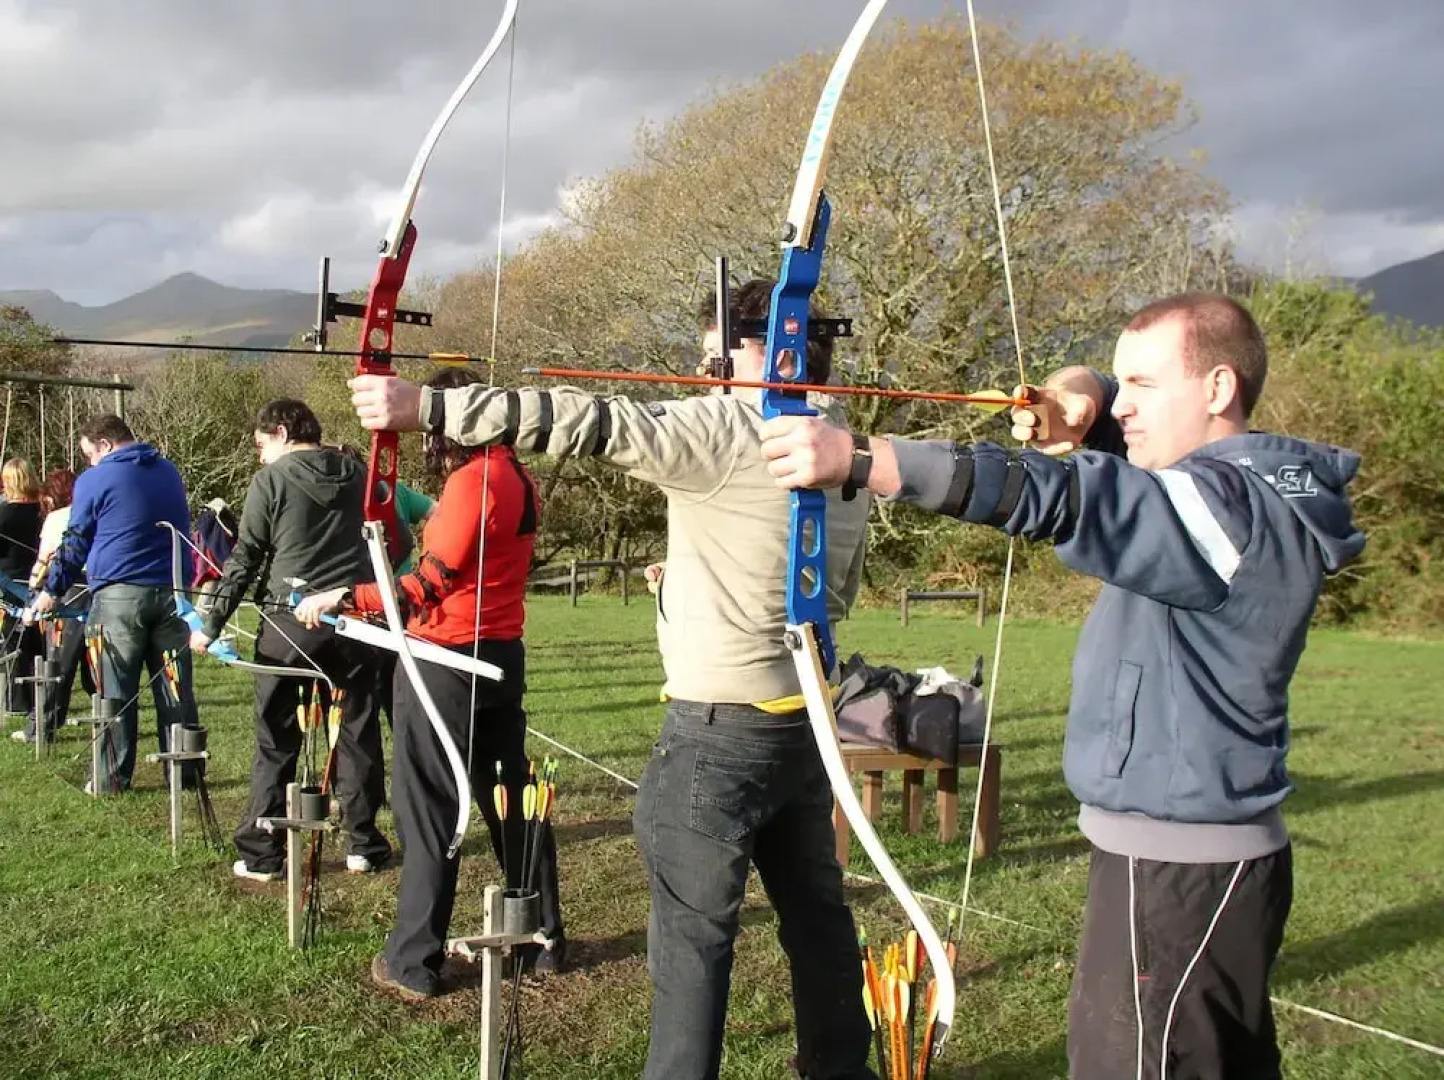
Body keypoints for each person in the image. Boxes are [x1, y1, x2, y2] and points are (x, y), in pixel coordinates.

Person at [757, 292, 1367, 1080]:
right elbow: (1113, 434)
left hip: (1182, 867)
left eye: (1144, 384)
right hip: (1186, 853)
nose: (1128, 407)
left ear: (1218, 389)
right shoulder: (1237, 493)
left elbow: (1067, 495)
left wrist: (865, 461)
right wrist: (1079, 396)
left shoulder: (1223, 511)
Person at [344, 280, 879, 1080]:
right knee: (817, 916)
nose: (701, 372)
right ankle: (842, 1068)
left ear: (775, 349)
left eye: (714, 356)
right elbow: (821, 589)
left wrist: (430, 407)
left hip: (716, 733)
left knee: (694, 945)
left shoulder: (732, 426)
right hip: (801, 721)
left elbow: (588, 419)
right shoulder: (844, 447)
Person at [296, 366, 565, 1001]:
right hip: (498, 654)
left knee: (429, 810)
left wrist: (341, 596)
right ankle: (542, 938)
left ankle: (414, 960)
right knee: (511, 800)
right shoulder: (514, 475)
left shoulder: (475, 481)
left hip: (448, 665)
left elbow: (424, 586)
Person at [189, 399, 392, 881]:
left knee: (277, 737)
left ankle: (263, 852)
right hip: (355, 621)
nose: (260, 456)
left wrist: (209, 625)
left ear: (281, 432)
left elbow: (245, 559)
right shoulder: (361, 474)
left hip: (289, 627)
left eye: (262, 445)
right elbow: (391, 539)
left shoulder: (271, 480)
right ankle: (363, 843)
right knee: (358, 730)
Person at [32, 416, 199, 792]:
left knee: (114, 690)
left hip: (119, 596)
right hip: (174, 593)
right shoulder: (168, 471)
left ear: (104, 445)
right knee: (175, 687)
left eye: (90, 454)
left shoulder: (97, 478)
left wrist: (52, 589)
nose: (89, 462)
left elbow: (75, 540)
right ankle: (186, 771)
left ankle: (110, 778)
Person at [11, 469, 96, 742]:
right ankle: (109, 721)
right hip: (101, 589)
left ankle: (40, 728)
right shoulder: (97, 514)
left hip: (69, 591)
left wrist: (33, 594)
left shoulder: (57, 518)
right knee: (96, 662)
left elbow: (44, 560)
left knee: (57, 662)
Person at [0, 458, 44, 724]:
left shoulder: (6, 514)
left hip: (10, 580)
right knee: (33, 639)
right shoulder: (41, 510)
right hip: (35, 578)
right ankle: (36, 693)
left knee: (13, 640)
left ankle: (18, 699)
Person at [191, 497, 238, 614]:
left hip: (215, 569)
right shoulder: (212, 523)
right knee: (208, 601)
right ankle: (200, 625)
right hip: (213, 568)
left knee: (211, 602)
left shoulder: (218, 524)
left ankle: (203, 625)